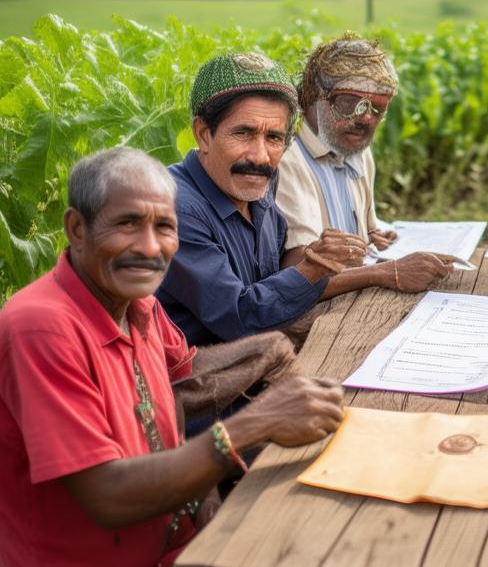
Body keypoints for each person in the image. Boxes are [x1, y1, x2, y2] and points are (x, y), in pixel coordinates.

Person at [0, 147, 405, 567]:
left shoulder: (135, 305)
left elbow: (185, 373)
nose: (150, 245)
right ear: (76, 228)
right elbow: (106, 495)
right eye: (127, 223)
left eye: (164, 226)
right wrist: (246, 428)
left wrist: (271, 357)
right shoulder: (41, 329)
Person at [157, 52, 410, 348]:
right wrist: (314, 265)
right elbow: (240, 318)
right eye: (243, 133)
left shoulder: (261, 185)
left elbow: (270, 283)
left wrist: (317, 259)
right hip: (191, 379)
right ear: (203, 134)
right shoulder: (174, 209)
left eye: (274, 138)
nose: (260, 157)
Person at [276, 35, 455, 294]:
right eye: (350, 103)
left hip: (356, 290)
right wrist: (389, 272)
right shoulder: (289, 159)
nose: (365, 119)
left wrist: (372, 235)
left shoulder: (356, 151)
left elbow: (368, 230)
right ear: (313, 96)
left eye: (377, 109)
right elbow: (300, 274)